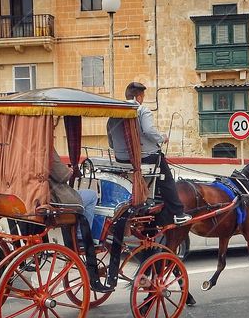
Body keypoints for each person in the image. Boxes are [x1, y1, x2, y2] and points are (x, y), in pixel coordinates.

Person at [107, 82, 191, 225]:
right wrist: (162, 138)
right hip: (144, 157)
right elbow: (148, 130)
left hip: (120, 158)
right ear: (139, 97)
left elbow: (111, 141)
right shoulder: (142, 110)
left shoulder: (113, 113)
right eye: (143, 96)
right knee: (167, 179)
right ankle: (178, 213)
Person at [49, 150, 112, 293]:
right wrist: (70, 171)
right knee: (91, 195)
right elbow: (62, 175)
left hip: (43, 194)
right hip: (55, 197)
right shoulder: (46, 148)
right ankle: (80, 236)